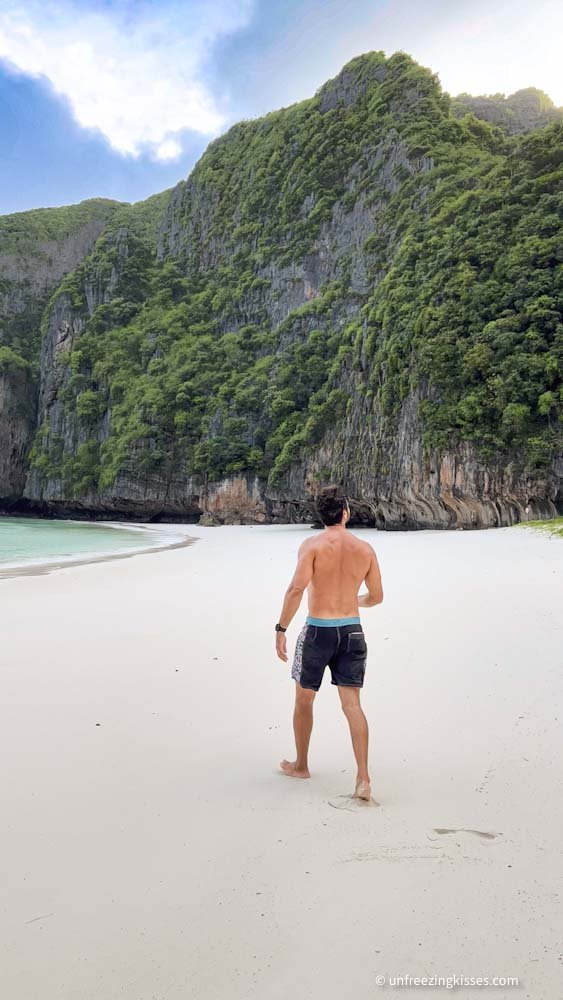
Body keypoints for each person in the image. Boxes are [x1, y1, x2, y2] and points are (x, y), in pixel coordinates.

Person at [274, 485, 384, 800]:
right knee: (352, 706)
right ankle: (363, 779)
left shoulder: (312, 545)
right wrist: (354, 601)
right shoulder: (365, 549)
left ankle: (301, 765)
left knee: (304, 700)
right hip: (352, 632)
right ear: (346, 513)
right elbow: (376, 597)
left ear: (321, 515)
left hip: (317, 632)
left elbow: (296, 589)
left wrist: (281, 628)